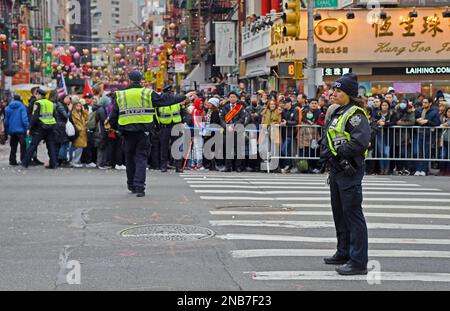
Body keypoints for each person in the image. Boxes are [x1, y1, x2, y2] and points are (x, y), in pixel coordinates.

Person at [109, 71, 195, 197]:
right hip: (144, 131)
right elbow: (165, 100)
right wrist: (183, 97)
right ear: (141, 80)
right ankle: (140, 187)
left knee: (129, 158)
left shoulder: (121, 94)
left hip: (127, 132)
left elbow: (114, 115)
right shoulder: (147, 93)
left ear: (129, 79)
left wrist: (116, 128)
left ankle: (131, 184)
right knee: (141, 158)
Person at [319, 73, 371, 276]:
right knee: (339, 213)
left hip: (349, 169)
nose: (334, 93)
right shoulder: (339, 112)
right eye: (334, 89)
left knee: (353, 215)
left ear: (348, 93)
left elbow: (359, 142)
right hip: (337, 169)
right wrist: (327, 153)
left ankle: (358, 261)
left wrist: (337, 153)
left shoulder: (356, 114)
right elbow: (330, 138)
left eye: (338, 90)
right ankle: (343, 252)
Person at [21, 88, 58, 169]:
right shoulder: (51, 103)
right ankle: (54, 164)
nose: (36, 96)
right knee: (51, 146)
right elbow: (55, 116)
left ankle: (25, 163)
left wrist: (30, 128)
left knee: (33, 145)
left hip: (40, 127)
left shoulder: (38, 103)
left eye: (36, 94)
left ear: (39, 95)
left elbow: (34, 117)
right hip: (50, 127)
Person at [156, 95, 184, 173]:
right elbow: (156, 115)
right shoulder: (160, 104)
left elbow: (181, 113)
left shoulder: (177, 103)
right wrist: (159, 128)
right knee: (164, 147)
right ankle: (163, 166)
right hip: (165, 127)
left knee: (177, 147)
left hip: (176, 126)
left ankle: (178, 167)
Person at [220, 91, 246, 172]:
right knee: (228, 149)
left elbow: (242, 118)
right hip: (227, 130)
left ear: (237, 98)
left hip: (237, 130)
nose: (232, 98)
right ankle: (228, 167)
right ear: (228, 98)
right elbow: (221, 119)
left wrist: (234, 125)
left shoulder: (240, 107)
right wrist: (226, 126)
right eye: (230, 97)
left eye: (234, 97)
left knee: (238, 149)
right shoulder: (225, 107)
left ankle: (238, 167)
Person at [4, 94, 29, 166]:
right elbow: (24, 119)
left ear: (13, 99)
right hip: (21, 131)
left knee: (13, 146)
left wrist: (7, 130)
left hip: (12, 130)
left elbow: (6, 121)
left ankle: (12, 160)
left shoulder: (8, 108)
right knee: (23, 146)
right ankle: (23, 160)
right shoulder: (22, 107)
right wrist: (27, 127)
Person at [69, 99, 88, 168]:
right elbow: (74, 122)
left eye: (80, 106)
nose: (79, 107)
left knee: (79, 147)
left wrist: (84, 110)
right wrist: (80, 128)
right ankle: (74, 161)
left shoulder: (81, 113)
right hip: (78, 132)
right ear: (74, 106)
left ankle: (75, 160)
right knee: (78, 147)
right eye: (77, 106)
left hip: (82, 132)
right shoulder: (73, 113)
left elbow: (86, 118)